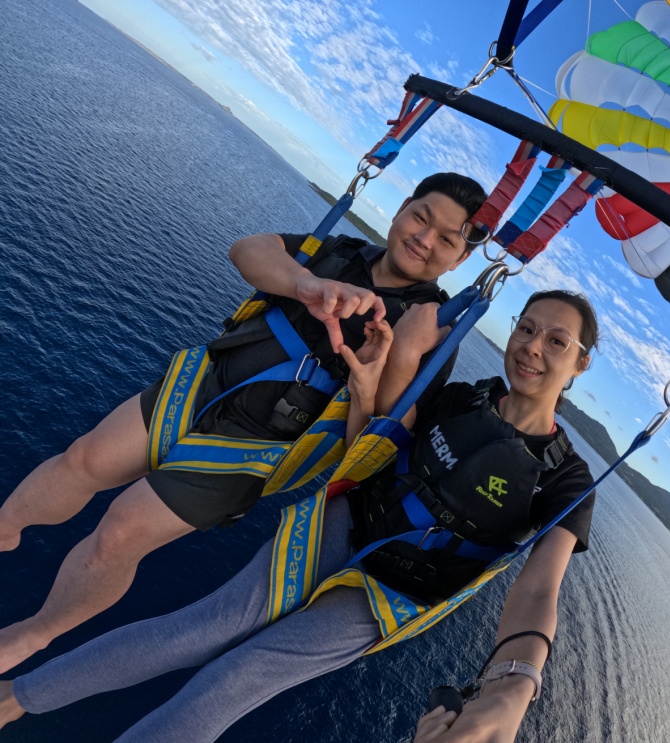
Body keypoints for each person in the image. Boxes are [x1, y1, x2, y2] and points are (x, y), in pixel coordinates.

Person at [0, 288, 599, 742]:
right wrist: (372, 389)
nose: (533, 348)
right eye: (527, 328)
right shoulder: (457, 399)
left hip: (394, 593)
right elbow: (372, 448)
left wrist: (515, 686)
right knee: (204, 627)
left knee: (243, 676)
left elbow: (538, 586)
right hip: (342, 526)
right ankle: (18, 697)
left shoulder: (566, 480)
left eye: (557, 341)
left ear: (581, 364)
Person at [0, 172, 486, 674]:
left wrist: (384, 368)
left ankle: (33, 635)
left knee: (121, 532)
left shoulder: (431, 335)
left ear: (461, 258)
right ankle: (5, 528)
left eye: (446, 239)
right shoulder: (340, 252)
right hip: (204, 383)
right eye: (420, 216)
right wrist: (307, 283)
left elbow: (366, 450)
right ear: (403, 207)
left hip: (258, 448)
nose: (424, 238)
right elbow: (248, 250)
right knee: (83, 459)